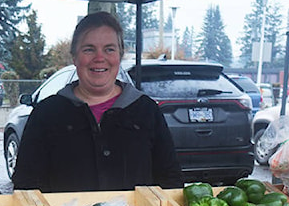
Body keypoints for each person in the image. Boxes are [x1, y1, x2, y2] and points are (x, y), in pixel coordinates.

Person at [12, 11, 180, 193]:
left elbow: (170, 182)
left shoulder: (146, 110)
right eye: (89, 49)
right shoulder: (46, 114)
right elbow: (26, 187)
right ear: (75, 58)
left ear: (120, 56)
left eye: (109, 49)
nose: (100, 58)